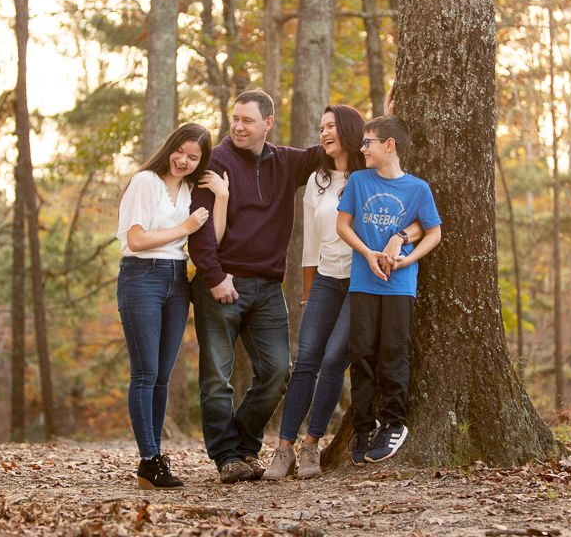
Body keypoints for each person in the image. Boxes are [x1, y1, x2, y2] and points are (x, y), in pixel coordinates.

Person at [262, 105, 422, 480]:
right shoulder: (317, 181)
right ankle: (283, 448)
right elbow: (310, 244)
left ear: (351, 131)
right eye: (320, 127)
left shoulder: (371, 175)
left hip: (362, 284)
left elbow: (414, 211)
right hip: (325, 281)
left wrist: (386, 113)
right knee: (306, 361)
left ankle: (311, 445)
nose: (324, 133)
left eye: (331, 126)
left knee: (334, 360)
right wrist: (306, 294)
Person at [188, 89, 324, 484]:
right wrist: (213, 276)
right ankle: (227, 457)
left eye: (248, 120)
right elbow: (200, 225)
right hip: (222, 282)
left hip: (267, 287)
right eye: (235, 118)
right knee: (217, 378)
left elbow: (330, 149)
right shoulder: (215, 161)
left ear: (268, 123)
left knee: (278, 372)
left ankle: (244, 444)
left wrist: (380, 119)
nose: (238, 126)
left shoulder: (286, 162)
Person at [116, 123, 229, 489]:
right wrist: (185, 228)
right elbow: (136, 238)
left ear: (201, 162)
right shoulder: (146, 182)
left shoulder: (189, 190)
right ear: (170, 148)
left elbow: (212, 236)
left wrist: (222, 198)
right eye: (180, 152)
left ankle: (154, 457)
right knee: (145, 373)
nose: (184, 160)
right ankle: (148, 459)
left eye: (193, 157)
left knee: (163, 375)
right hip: (141, 276)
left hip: (177, 279)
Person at [336, 114, 443, 464]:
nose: (362, 148)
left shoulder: (418, 189)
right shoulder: (359, 181)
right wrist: (367, 254)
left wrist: (408, 261)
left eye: (368, 142)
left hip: (399, 286)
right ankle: (364, 426)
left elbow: (434, 233)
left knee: (394, 353)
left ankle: (395, 423)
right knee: (362, 353)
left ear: (389, 145)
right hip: (364, 282)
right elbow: (343, 226)